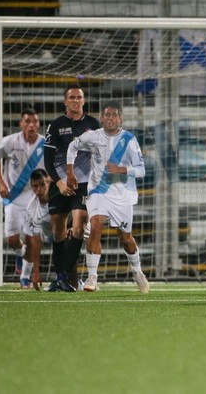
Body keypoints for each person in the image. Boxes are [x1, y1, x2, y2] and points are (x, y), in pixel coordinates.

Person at [66, 103, 149, 293]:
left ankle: (137, 271)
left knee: (126, 238)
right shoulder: (93, 137)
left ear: (120, 119)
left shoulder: (129, 140)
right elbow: (72, 146)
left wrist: (121, 169)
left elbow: (142, 170)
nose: (110, 118)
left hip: (122, 195)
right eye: (107, 115)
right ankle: (92, 277)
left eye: (115, 115)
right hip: (98, 192)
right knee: (95, 227)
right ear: (101, 118)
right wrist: (70, 173)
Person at [44, 85, 100, 292]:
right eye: (72, 97)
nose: (76, 100)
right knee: (58, 232)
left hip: (84, 184)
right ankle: (60, 277)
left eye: (80, 97)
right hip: (60, 182)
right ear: (65, 101)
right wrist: (59, 182)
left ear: (84, 101)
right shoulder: (56, 126)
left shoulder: (93, 125)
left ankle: (64, 276)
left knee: (78, 227)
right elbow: (48, 160)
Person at [0, 108, 44, 289]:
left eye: (35, 121)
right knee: (12, 239)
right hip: (13, 197)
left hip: (33, 197)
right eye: (27, 121)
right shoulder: (10, 141)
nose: (31, 125)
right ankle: (22, 257)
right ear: (21, 123)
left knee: (31, 238)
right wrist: (0, 182)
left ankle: (25, 278)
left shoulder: (44, 145)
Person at [22, 168, 54, 291]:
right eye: (35, 186)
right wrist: (36, 272)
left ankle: (75, 279)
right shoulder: (31, 209)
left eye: (42, 185)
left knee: (67, 239)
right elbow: (36, 240)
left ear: (49, 182)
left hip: (74, 230)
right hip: (49, 234)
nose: (39, 190)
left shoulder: (59, 195)